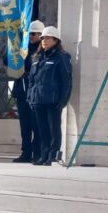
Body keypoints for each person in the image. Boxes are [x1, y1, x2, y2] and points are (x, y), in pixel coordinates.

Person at [27, 26, 72, 166]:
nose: (44, 41)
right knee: (42, 130)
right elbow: (31, 80)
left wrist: (63, 99)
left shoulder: (61, 57)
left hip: (52, 100)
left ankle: (52, 156)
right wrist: (30, 96)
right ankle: (43, 154)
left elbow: (66, 80)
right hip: (38, 100)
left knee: (53, 129)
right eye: (42, 38)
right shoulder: (37, 58)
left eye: (47, 38)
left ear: (55, 40)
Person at [12, 20, 44, 163]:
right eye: (29, 34)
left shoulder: (41, 51)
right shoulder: (22, 48)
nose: (30, 37)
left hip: (35, 92)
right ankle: (26, 152)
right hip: (22, 90)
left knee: (36, 125)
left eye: (33, 34)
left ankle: (37, 152)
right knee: (25, 125)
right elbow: (9, 61)